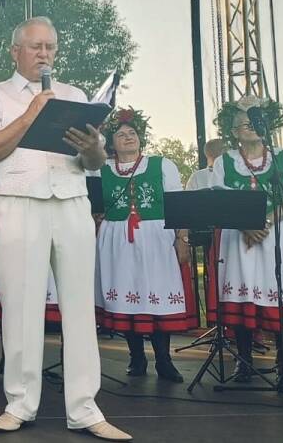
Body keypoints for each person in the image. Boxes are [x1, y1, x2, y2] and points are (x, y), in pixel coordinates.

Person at [0, 17, 131, 440]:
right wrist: (30, 115)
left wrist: (94, 148)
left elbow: (93, 164)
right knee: (21, 306)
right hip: (20, 202)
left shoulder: (74, 95)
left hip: (72, 202)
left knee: (79, 306)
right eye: (36, 46)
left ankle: (85, 408)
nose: (44, 54)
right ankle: (20, 403)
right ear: (15, 51)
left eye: (51, 47)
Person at [207, 97, 283, 390]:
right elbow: (219, 199)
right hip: (239, 238)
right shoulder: (224, 162)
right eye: (244, 123)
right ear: (233, 131)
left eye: (256, 122)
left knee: (281, 295)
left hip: (276, 235)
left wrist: (263, 222)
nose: (252, 127)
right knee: (243, 295)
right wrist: (245, 223)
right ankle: (243, 362)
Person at [93, 108, 196, 383]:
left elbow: (178, 205)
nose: (128, 137)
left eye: (132, 133)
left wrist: (182, 238)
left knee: (157, 294)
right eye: (121, 134)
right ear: (110, 142)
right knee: (126, 294)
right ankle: (136, 357)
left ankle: (164, 360)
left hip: (155, 238)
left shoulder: (162, 165)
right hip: (116, 239)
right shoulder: (101, 169)